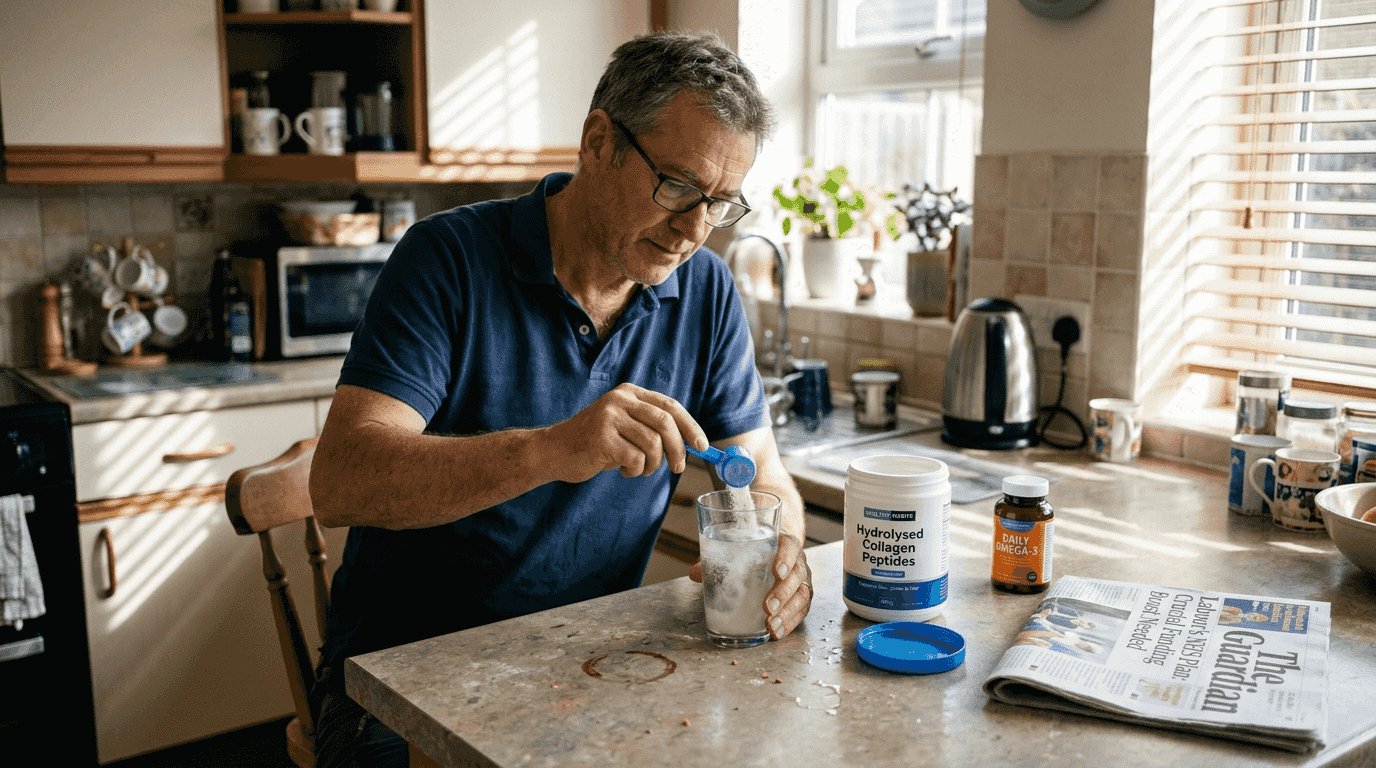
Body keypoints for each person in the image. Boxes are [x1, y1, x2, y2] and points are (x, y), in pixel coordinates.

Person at [307, 30, 813, 767]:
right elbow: (340, 483)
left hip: (589, 659)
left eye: (720, 204)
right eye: (678, 186)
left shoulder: (704, 290)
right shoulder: (446, 260)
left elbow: (760, 471)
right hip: (401, 676)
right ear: (598, 141)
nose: (694, 230)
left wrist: (785, 553)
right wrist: (550, 450)